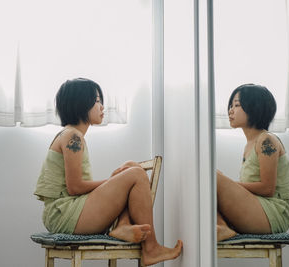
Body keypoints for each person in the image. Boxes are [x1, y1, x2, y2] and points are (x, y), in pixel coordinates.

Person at [34, 78, 182, 266]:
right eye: (97, 101)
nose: (102, 107)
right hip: (64, 215)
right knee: (135, 174)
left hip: (68, 211)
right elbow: (75, 187)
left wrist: (116, 179)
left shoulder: (71, 134)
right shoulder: (73, 136)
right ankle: (151, 248)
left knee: (130, 166)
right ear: (81, 104)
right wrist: (114, 179)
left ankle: (122, 226)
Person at [217, 84, 289, 241]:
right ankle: (221, 227)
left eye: (237, 105)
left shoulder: (266, 140)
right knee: (212, 177)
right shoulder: (250, 144)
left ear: (254, 108)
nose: (231, 110)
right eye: (231, 105)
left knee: (213, 177)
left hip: (273, 214)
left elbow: (267, 188)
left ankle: (221, 227)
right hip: (259, 209)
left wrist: (229, 184)